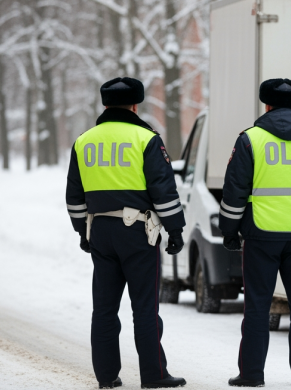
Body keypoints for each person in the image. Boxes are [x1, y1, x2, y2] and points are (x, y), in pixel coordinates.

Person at [65, 77, 187, 389]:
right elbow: (164, 191)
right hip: (137, 232)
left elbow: (74, 198)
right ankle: (154, 375)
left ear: (105, 104)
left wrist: (83, 231)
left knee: (104, 308)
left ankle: (106, 376)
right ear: (136, 104)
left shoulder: (84, 141)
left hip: (101, 232)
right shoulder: (146, 139)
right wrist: (175, 230)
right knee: (144, 307)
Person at [219, 78, 291, 387]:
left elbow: (234, 194)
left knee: (257, 306)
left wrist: (230, 231)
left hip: (261, 235)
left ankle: (252, 375)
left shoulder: (250, 140)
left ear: (266, 105)